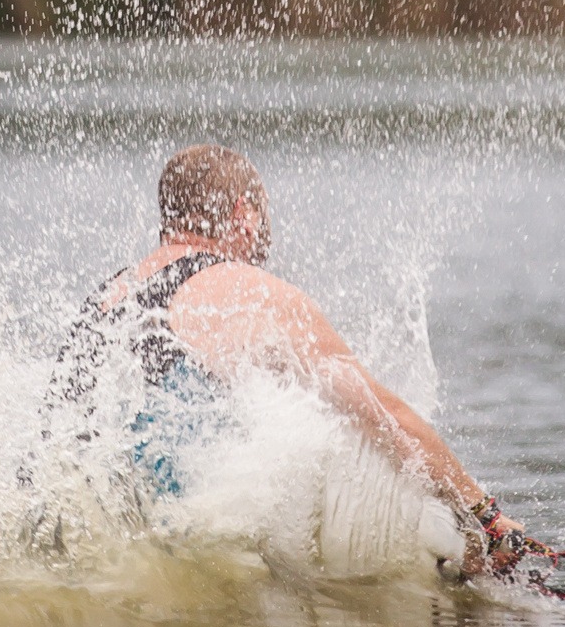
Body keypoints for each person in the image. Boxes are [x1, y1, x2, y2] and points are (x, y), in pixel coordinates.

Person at [43, 144, 524, 576]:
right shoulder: (247, 294)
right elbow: (383, 416)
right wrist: (485, 516)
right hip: (181, 541)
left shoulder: (110, 296)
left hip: (74, 522)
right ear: (245, 214)